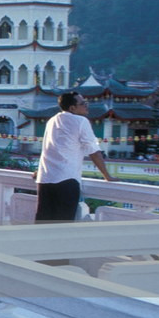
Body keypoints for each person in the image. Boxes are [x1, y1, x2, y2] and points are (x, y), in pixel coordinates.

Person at [34, 92, 113, 222]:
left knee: (43, 222)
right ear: (72, 108)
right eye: (83, 103)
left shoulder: (52, 120)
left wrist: (40, 170)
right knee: (62, 225)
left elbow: (50, 149)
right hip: (66, 180)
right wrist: (107, 175)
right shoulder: (81, 121)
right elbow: (94, 151)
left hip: (45, 179)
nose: (87, 106)